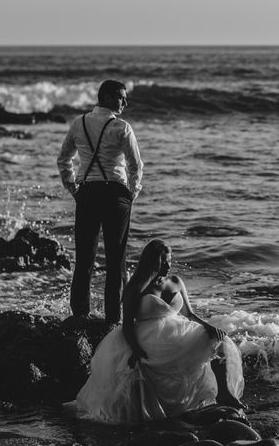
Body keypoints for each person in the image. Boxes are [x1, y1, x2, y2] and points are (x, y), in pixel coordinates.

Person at [75, 239, 245, 424]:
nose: (168, 266)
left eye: (170, 261)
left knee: (219, 341)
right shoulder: (137, 287)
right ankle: (146, 414)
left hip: (177, 329)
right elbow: (127, 324)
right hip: (147, 335)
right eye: (163, 261)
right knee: (136, 367)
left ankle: (224, 393)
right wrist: (135, 348)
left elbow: (189, 313)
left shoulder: (175, 281)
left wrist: (208, 326)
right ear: (151, 262)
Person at [56, 80, 143, 324]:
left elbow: (63, 159)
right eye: (120, 97)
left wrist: (72, 187)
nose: (125, 102)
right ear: (105, 97)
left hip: (87, 194)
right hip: (115, 195)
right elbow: (136, 166)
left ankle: (80, 315)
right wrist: (132, 192)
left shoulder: (79, 122)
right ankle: (113, 319)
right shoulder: (121, 127)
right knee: (116, 261)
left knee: (84, 258)